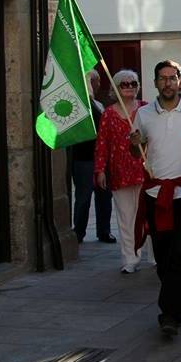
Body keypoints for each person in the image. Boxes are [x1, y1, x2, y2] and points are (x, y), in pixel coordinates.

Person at [131, 60, 181, 337]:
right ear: (155, 83)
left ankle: (168, 314)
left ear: (180, 80)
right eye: (162, 78)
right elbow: (137, 152)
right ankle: (180, 303)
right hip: (156, 194)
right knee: (163, 257)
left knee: (179, 253)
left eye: (172, 78)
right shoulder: (144, 114)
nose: (167, 83)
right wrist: (134, 145)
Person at [94, 69, 148, 272]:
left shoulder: (146, 109)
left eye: (133, 83)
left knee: (148, 215)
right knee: (126, 217)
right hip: (120, 172)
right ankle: (130, 259)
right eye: (124, 84)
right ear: (116, 88)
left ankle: (154, 256)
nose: (130, 87)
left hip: (144, 170)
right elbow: (102, 144)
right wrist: (100, 170)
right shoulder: (108, 113)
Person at [69, 69, 112, 243]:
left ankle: (104, 231)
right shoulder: (80, 104)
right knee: (84, 196)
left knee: (104, 195)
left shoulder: (99, 104)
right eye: (96, 81)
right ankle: (78, 232)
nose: (99, 84)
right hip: (83, 157)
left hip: (101, 157)